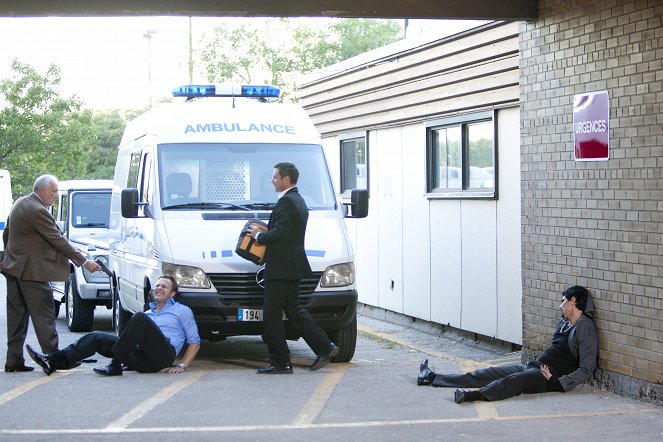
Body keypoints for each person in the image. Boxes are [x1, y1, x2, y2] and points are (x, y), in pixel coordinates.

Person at [417, 285, 598, 403]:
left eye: (563, 301)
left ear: (573, 301)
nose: (560, 306)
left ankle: (472, 396)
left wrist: (558, 383)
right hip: (534, 366)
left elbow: (586, 369)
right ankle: (431, 377)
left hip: (549, 376)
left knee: (512, 382)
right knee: (487, 373)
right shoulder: (564, 323)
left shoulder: (585, 328)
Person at [1, 174, 101, 373]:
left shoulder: (21, 203)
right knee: (45, 316)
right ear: (42, 191)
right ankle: (56, 359)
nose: (56, 195)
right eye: (54, 191)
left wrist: (13, 258)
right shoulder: (38, 210)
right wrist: (83, 261)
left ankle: (13, 360)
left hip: (13, 269)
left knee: (17, 319)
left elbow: (7, 234)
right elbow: (57, 240)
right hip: (32, 273)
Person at [247, 162, 338, 374]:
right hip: (291, 267)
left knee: (271, 315)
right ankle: (325, 346)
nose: (272, 180)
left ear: (285, 180)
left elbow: (280, 235)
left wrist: (258, 235)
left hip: (281, 269)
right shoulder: (297, 200)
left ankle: (281, 362)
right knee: (294, 310)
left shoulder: (288, 202)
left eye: (275, 177)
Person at [26, 274, 200, 376]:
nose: (159, 288)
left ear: (173, 293)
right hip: (141, 359)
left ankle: (116, 364)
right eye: (157, 286)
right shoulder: (148, 314)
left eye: (164, 286)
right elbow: (131, 338)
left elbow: (194, 341)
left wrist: (182, 365)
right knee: (96, 337)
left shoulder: (181, 311)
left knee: (139, 318)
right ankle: (54, 362)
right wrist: (129, 358)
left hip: (162, 356)